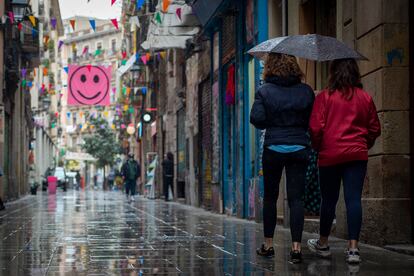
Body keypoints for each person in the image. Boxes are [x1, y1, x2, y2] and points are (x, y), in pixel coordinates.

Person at [307, 59, 381, 264]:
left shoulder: (324, 97)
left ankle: (323, 243)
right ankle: (353, 249)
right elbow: (375, 128)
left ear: (333, 73)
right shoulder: (365, 98)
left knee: (328, 200)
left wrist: (318, 146)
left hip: (329, 155)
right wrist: (363, 143)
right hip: (356, 155)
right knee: (353, 199)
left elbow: (315, 128)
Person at [250, 53, 315, 263]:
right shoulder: (306, 91)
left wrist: (273, 118)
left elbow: (257, 119)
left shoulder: (264, 91)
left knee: (270, 197)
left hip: (274, 149)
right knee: (297, 199)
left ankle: (268, 246)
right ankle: (296, 248)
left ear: (270, 67)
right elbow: (311, 121)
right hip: (299, 147)